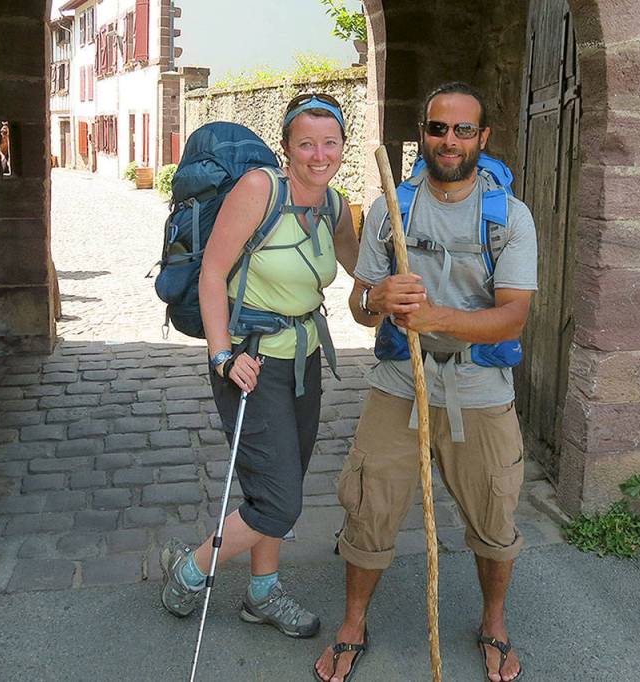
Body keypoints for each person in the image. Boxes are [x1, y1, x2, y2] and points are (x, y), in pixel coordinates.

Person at [314, 82, 537, 682]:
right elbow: (361, 304)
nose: (450, 140)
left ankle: (494, 621)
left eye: (464, 130)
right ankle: (353, 623)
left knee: (494, 511)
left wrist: (438, 318)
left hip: (480, 389)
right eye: (439, 128)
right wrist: (379, 297)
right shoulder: (392, 206)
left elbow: (513, 314)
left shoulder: (510, 217)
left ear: (482, 138)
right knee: (369, 505)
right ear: (423, 134)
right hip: (398, 383)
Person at [159, 93, 359, 639]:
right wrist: (221, 355)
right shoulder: (259, 190)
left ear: (344, 145)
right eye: (307, 144)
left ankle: (262, 593)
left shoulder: (335, 207)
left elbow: (362, 268)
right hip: (249, 360)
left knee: (280, 484)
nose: (320, 155)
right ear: (286, 148)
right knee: (280, 501)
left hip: (304, 358)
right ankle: (193, 568)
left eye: (330, 143)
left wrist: (403, 272)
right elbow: (212, 274)